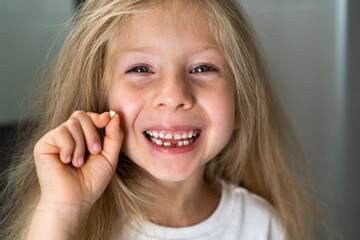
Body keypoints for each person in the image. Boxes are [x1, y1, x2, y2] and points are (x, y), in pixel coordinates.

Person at [0, 0, 315, 239]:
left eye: (203, 68)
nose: (173, 93)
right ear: (99, 97)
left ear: (241, 104)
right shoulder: (70, 222)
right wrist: (61, 212)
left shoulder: (259, 226)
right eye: (140, 69)